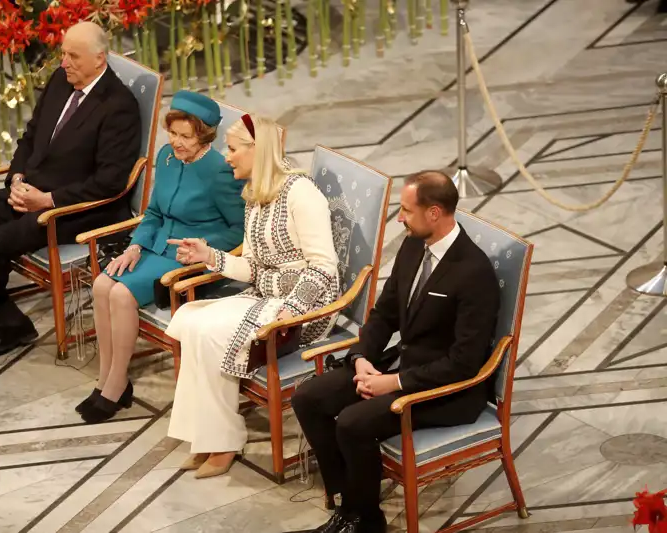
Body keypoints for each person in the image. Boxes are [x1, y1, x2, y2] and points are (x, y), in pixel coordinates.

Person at [291, 171, 501, 533]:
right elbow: (385, 313)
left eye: (406, 210)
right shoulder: (413, 245)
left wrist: (395, 383)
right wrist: (361, 359)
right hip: (396, 366)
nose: (399, 219)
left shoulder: (473, 272)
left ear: (434, 213)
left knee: (353, 423)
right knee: (308, 397)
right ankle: (349, 503)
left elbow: (464, 363)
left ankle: (366, 521)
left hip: (447, 389)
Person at [0, 21, 141, 358]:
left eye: (73, 56)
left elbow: (110, 181)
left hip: (80, 209)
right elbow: (30, 138)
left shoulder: (119, 106)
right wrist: (16, 179)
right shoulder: (61, 81)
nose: (64, 63)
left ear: (99, 59)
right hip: (31, 191)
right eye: (63, 54)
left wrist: (47, 200)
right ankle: (3, 316)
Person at [163, 115, 340, 479]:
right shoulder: (256, 195)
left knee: (209, 329)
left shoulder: (301, 193)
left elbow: (324, 268)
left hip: (304, 311)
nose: (226, 157)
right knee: (190, 321)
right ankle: (206, 437)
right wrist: (210, 256)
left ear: (256, 151)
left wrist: (289, 312)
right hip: (266, 296)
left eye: (231, 149)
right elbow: (255, 269)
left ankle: (225, 441)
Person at [76, 91, 246, 424]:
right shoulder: (167, 157)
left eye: (186, 136)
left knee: (122, 293)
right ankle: (108, 378)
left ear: (205, 135)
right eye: (173, 134)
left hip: (188, 259)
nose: (177, 142)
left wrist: (201, 246)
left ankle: (114, 385)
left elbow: (239, 230)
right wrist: (134, 246)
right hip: (153, 245)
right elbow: (153, 212)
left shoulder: (219, 171)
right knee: (100, 284)